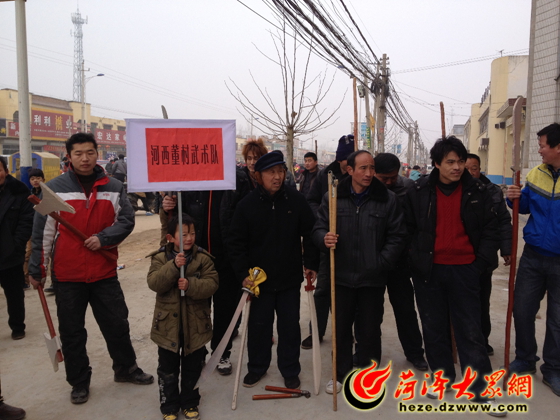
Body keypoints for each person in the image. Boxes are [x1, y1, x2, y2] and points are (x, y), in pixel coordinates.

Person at [28, 133, 153, 405]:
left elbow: (126, 220)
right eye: (78, 154)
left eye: (89, 152)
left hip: (104, 272)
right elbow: (43, 234)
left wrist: (103, 238)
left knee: (117, 324)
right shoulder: (54, 188)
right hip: (68, 275)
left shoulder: (114, 186)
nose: (84, 159)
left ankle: (126, 369)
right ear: (69, 156)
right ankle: (79, 382)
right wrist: (37, 269)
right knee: (72, 333)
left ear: (98, 154)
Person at [405, 137, 501, 410]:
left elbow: (490, 231)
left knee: (470, 330)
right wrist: (416, 258)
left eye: (460, 161)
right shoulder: (419, 190)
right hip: (430, 271)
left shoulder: (478, 191)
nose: (457, 167)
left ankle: (479, 386)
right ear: (436, 164)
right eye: (450, 162)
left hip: (466, 270)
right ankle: (442, 379)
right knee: (434, 328)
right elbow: (408, 228)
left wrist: (479, 263)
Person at [313, 150, 406, 393]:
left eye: (371, 168)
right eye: (363, 168)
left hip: (371, 278)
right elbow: (318, 227)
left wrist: (380, 262)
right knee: (341, 329)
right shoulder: (332, 197)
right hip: (341, 275)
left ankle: (368, 375)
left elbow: (397, 236)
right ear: (350, 170)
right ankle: (340, 373)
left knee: (369, 330)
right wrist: (325, 238)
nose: (368, 173)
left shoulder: (387, 199)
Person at [228, 150, 319, 390]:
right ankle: (257, 367)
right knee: (259, 328)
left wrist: (310, 263)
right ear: (258, 176)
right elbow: (236, 243)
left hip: (289, 278)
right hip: (259, 281)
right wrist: (243, 275)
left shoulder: (295, 199)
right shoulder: (247, 205)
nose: (277, 177)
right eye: (271, 172)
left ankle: (290, 369)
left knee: (289, 328)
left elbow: (310, 233)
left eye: (281, 171)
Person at [161, 168, 249, 377]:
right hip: (195, 257)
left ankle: (222, 353)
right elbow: (175, 216)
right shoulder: (190, 173)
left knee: (225, 309)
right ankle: (196, 352)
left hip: (228, 256)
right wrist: (166, 207)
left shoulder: (237, 176)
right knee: (196, 308)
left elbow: (246, 213)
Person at [506, 123, 560, 397]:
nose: (539, 150)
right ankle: (525, 359)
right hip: (534, 255)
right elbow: (524, 205)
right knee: (523, 310)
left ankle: (553, 370)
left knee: (557, 319)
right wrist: (514, 196)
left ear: (558, 147)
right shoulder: (536, 174)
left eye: (542, 145)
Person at [147, 214, 218, 420]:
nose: (189, 238)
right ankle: (169, 405)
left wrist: (191, 285)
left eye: (192, 233)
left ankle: (189, 402)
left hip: (195, 326)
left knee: (192, 368)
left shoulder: (203, 259)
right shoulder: (160, 258)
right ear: (170, 237)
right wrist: (173, 267)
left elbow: (212, 284)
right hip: (167, 327)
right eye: (183, 234)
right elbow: (154, 283)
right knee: (167, 369)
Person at [371, 153, 428, 371]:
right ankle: (368, 354)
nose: (388, 182)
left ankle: (415, 352)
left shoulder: (409, 189)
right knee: (370, 312)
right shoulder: (367, 190)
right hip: (373, 261)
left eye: (392, 178)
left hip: (400, 261)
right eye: (383, 178)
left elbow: (415, 224)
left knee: (405, 310)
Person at [301, 134, 353, 350]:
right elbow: (311, 200)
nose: (350, 164)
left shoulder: (360, 173)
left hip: (352, 241)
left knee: (349, 293)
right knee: (323, 290)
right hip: (328, 241)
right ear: (340, 159)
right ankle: (316, 332)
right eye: (346, 160)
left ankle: (346, 334)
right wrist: (324, 215)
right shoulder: (326, 175)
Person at [466, 153, 512, 355]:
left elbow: (503, 221)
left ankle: (482, 340)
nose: (470, 172)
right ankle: (457, 341)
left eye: (474, 168)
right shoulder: (453, 189)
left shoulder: (492, 191)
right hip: (458, 258)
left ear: (480, 169)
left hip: (484, 258)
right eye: (466, 168)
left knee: (482, 301)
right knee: (457, 303)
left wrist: (507, 249)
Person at [0, 156, 34, 340]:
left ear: (5, 170)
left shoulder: (19, 192)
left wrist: (16, 245)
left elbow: (26, 221)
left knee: (13, 293)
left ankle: (17, 326)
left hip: (10, 252)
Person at [23, 169, 51, 292]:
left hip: (47, 228)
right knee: (29, 254)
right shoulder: (30, 194)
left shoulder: (47, 194)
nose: (35, 181)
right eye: (32, 179)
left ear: (43, 180)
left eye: (38, 178)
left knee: (52, 255)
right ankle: (25, 281)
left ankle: (55, 282)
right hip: (33, 229)